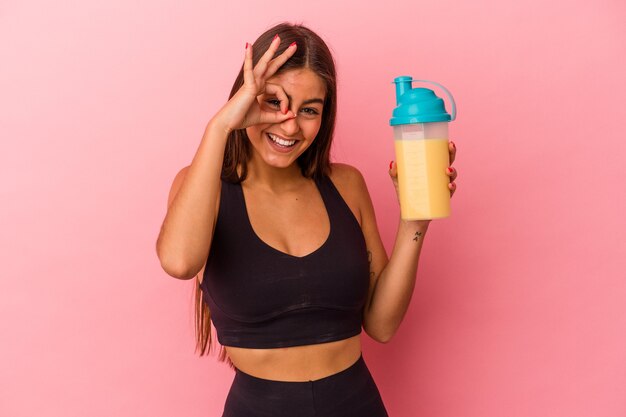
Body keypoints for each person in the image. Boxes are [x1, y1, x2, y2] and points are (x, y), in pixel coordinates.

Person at [156, 22, 458, 417]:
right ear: (244, 99)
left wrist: (415, 223)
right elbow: (179, 262)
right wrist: (220, 126)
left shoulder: (346, 184)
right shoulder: (203, 186)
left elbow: (381, 326)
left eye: (309, 110)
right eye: (273, 102)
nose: (290, 124)